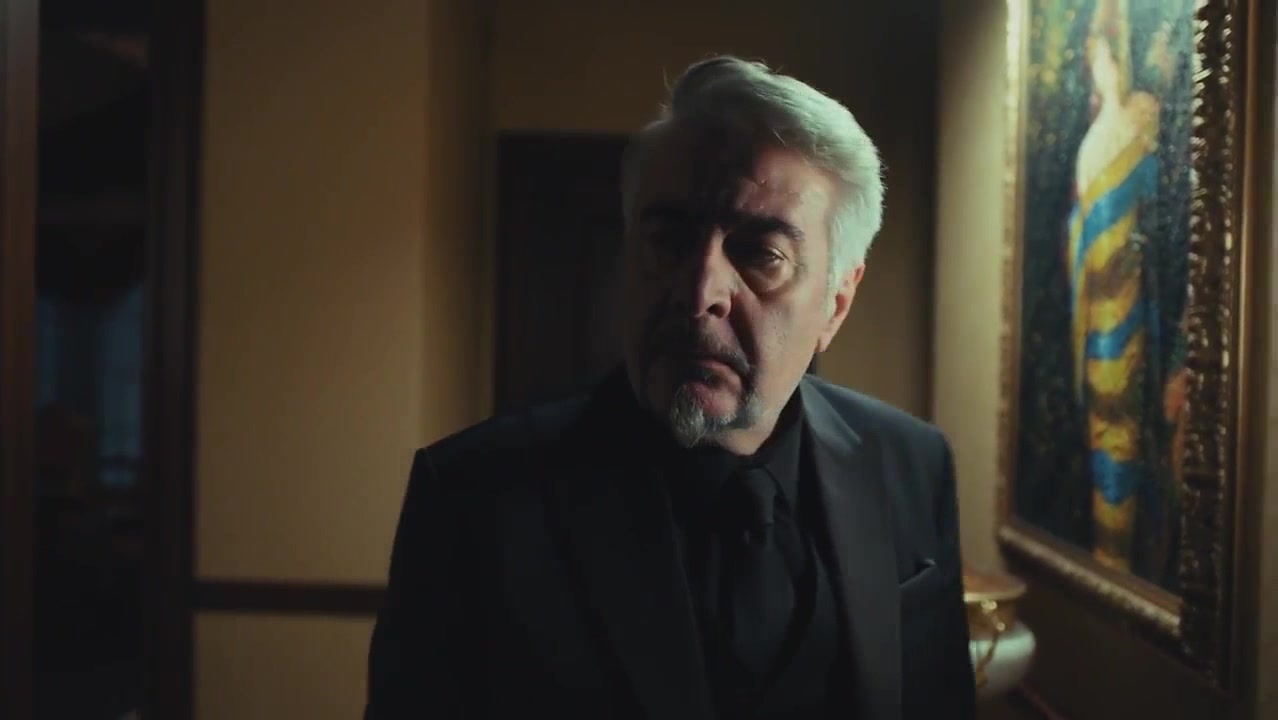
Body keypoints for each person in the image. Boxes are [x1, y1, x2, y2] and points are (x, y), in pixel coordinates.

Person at [366, 56, 976, 720]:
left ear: (836, 303)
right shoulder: (473, 495)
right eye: (668, 239)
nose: (698, 291)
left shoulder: (910, 466)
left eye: (761, 254)